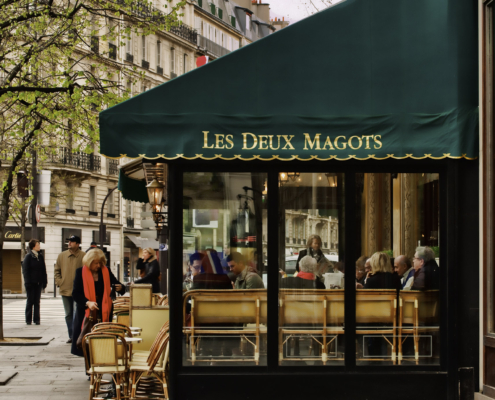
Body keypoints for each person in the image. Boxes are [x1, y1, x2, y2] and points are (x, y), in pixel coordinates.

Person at [71, 248, 125, 357]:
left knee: (102, 339)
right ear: (89, 262)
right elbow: (76, 293)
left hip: (103, 309)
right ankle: (89, 368)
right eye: (96, 263)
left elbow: (117, 284)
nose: (98, 266)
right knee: (86, 340)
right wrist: (87, 302)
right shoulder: (80, 272)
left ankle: (101, 361)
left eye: (100, 263)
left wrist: (120, 288)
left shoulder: (106, 271)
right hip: (86, 311)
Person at [55, 235, 85, 343]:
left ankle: (77, 334)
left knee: (77, 313)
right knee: (68, 314)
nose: (69, 243)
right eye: (69, 241)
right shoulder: (62, 256)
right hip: (65, 289)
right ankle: (72, 335)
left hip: (78, 291)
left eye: (72, 242)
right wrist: (59, 282)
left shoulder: (83, 256)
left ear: (77, 244)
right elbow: (57, 271)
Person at [21, 239, 47, 325]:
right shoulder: (28, 257)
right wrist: (27, 282)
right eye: (37, 245)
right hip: (31, 283)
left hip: (38, 283)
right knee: (30, 301)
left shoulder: (40, 256)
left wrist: (44, 281)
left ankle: (37, 319)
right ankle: (28, 320)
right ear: (33, 246)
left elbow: (43, 270)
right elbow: (25, 271)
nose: (39, 246)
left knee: (37, 301)